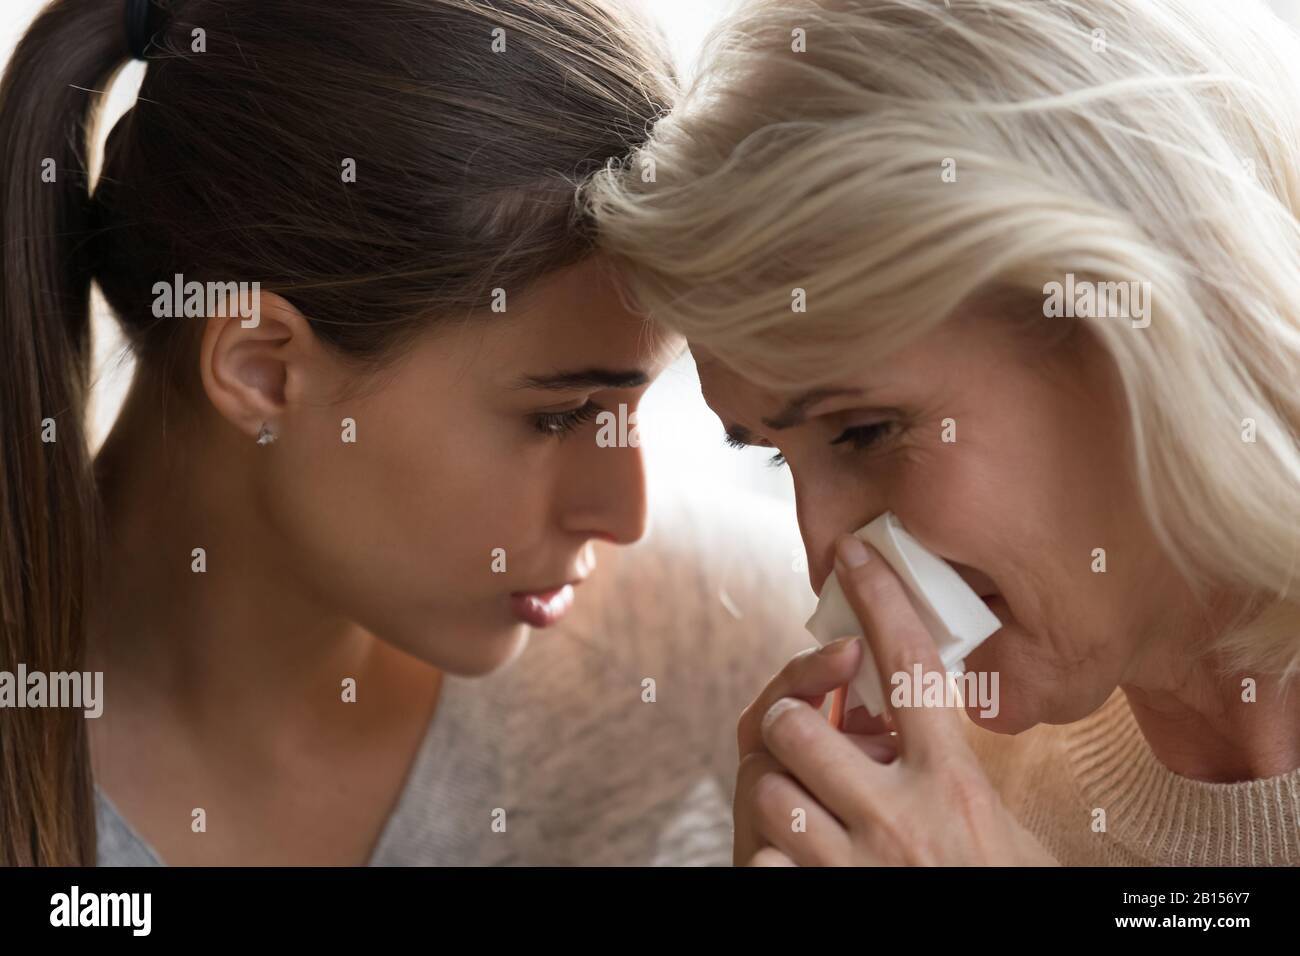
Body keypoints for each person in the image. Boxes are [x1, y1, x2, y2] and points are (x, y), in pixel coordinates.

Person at [0, 0, 813, 866]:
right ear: (262, 369)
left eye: (636, 409)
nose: (625, 516)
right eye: (558, 416)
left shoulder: (742, 646)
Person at [588, 0, 1300, 865]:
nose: (825, 557)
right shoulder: (923, 796)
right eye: (777, 456)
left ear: (1141, 341)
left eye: (865, 432)